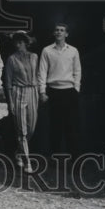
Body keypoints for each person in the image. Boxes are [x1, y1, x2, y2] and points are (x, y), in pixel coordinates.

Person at [37, 22, 81, 163]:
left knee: (71, 126)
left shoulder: (73, 51)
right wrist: (42, 91)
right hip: (53, 92)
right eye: (56, 30)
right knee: (55, 126)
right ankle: (55, 158)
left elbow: (77, 71)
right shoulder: (47, 51)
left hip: (69, 92)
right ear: (53, 33)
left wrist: (76, 88)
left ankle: (74, 159)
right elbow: (42, 72)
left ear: (66, 34)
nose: (59, 32)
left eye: (62, 30)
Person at [2, 31, 39, 173]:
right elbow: (8, 82)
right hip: (18, 92)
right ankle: (27, 162)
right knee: (22, 130)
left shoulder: (35, 57)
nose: (18, 45)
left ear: (26, 42)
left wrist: (41, 92)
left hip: (33, 92)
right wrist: (10, 102)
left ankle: (18, 152)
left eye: (20, 42)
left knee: (31, 128)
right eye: (16, 43)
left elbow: (40, 75)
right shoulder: (11, 59)